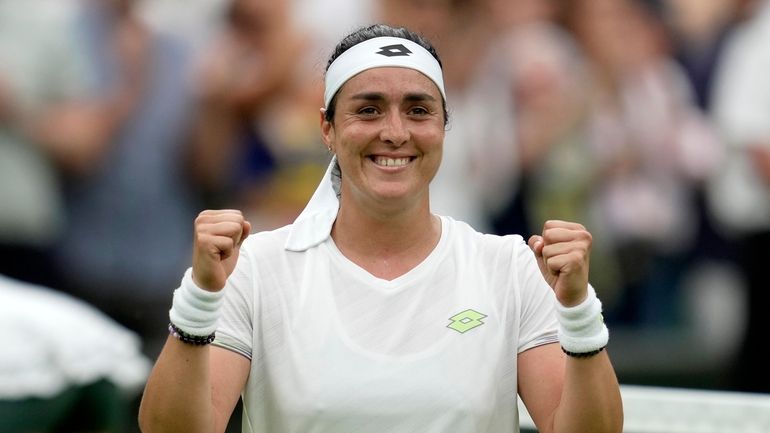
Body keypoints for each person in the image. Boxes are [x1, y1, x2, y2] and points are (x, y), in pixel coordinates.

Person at [138, 24, 623, 433]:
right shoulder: (257, 267)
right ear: (327, 128)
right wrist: (200, 299)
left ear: (443, 127)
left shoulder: (510, 267)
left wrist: (578, 311)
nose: (394, 131)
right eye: (368, 109)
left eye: (418, 110)